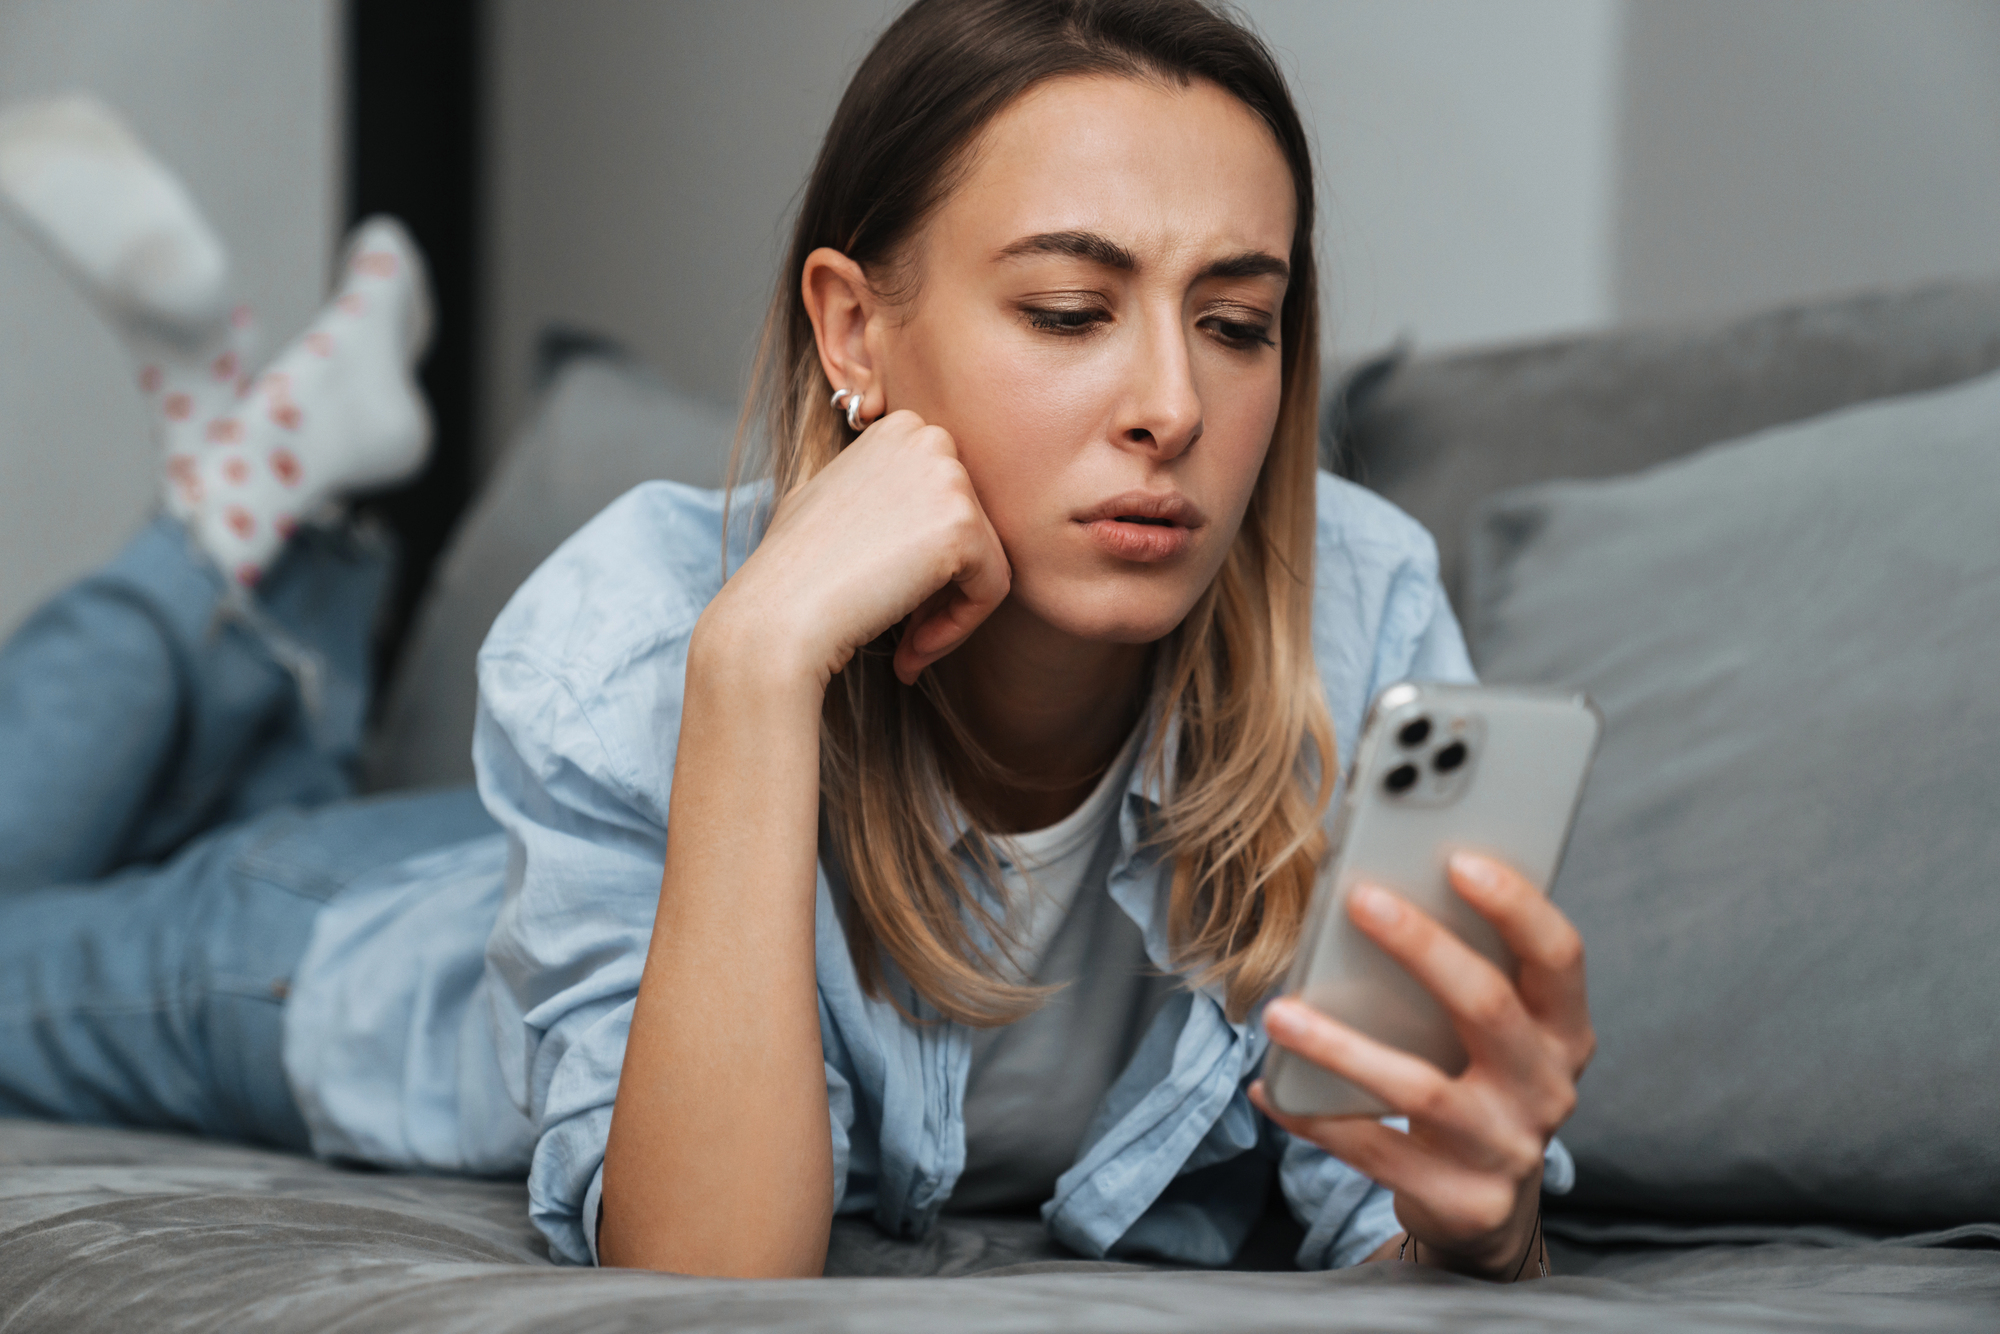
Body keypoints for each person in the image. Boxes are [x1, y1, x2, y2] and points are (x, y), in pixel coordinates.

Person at [0, 0, 1593, 1285]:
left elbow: (1384, 1192)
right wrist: (754, 666)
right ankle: (216, 537)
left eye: (1238, 322)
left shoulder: (1358, 614)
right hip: (338, 944)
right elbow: (703, 1269)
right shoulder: (639, 622)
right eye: (1067, 310)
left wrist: (1475, 1213)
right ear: (855, 330)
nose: (1174, 405)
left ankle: (254, 493)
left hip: (555, 831)